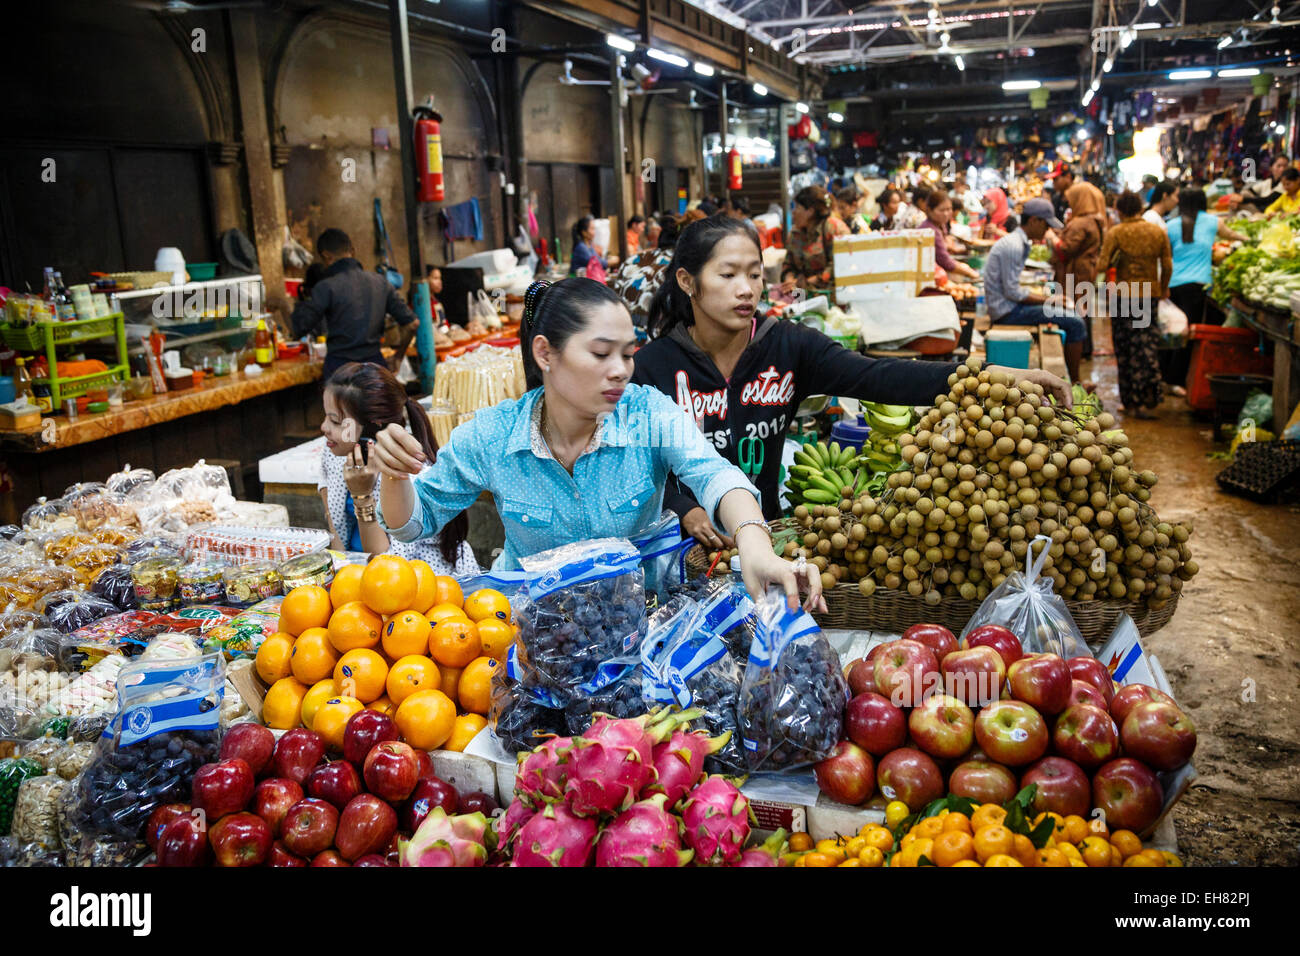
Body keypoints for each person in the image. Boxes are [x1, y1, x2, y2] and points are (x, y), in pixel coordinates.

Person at [371, 277, 826, 612]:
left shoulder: (647, 414)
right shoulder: (493, 436)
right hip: (536, 631)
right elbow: (413, 523)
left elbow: (715, 475)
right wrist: (394, 476)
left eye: (628, 354)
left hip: (643, 619)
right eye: (601, 353)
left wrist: (753, 542)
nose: (621, 370)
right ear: (546, 353)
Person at [630, 216, 1070, 545]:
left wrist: (995, 374)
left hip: (765, 536)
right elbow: (629, 465)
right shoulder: (652, 366)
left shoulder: (787, 346)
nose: (746, 288)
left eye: (755, 273)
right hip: (679, 547)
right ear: (688, 281)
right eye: (727, 275)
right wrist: (683, 507)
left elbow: (883, 376)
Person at [318, 362, 479, 573]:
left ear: (372, 426)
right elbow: (336, 534)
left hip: (414, 581)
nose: (323, 428)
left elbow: (387, 566)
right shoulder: (334, 455)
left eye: (336, 421)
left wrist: (362, 496)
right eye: (326, 417)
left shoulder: (408, 474)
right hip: (358, 577)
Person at [983, 198, 1089, 383]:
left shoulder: (1017, 242)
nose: (1047, 230)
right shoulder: (1013, 245)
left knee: (1070, 317)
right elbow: (1013, 293)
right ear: (1033, 221)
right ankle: (1076, 382)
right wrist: (1048, 300)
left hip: (1008, 307)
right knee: (1076, 323)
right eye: (1045, 225)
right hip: (1007, 312)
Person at [288, 228, 416, 380]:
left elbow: (299, 328)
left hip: (341, 371)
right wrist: (398, 357)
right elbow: (412, 324)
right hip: (375, 368)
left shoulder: (326, 287)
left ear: (326, 257)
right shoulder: (381, 283)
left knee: (340, 405)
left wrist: (284, 305)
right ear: (353, 251)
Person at [1098, 191, 1172, 420]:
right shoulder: (1157, 232)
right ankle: (1148, 399)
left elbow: (1102, 265)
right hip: (1149, 295)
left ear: (1119, 211)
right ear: (1140, 208)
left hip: (1123, 296)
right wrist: (1164, 287)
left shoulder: (1116, 232)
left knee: (1125, 347)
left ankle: (1129, 401)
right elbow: (1167, 265)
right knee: (1146, 346)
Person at [1167, 187, 1246, 326]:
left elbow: (1166, 255)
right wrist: (1248, 239)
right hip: (1198, 283)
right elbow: (1231, 235)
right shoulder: (1213, 221)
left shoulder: (1170, 225)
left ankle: (1178, 349)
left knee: (1176, 328)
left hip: (1173, 282)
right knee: (1192, 328)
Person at [609, 212, 696, 329]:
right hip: (660, 339)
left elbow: (615, 301)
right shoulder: (681, 268)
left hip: (623, 334)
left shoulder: (633, 259)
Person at [1054, 181, 1107, 357]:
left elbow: (1066, 249)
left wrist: (1053, 239)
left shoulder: (1081, 223)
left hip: (1076, 272)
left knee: (1075, 309)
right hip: (1085, 270)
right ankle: (1084, 348)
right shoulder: (1094, 220)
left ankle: (1078, 348)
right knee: (1083, 307)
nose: (1069, 203)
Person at [780, 185, 850, 290]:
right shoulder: (795, 234)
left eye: (797, 207)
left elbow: (841, 264)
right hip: (800, 295)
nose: (793, 212)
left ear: (810, 212)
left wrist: (807, 282)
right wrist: (789, 279)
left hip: (829, 295)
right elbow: (788, 263)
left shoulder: (834, 228)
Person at [922, 191, 980, 281]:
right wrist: (970, 273)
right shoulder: (930, 230)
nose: (946, 214)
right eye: (941, 210)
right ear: (930, 210)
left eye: (949, 209)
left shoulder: (940, 225)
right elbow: (945, 261)